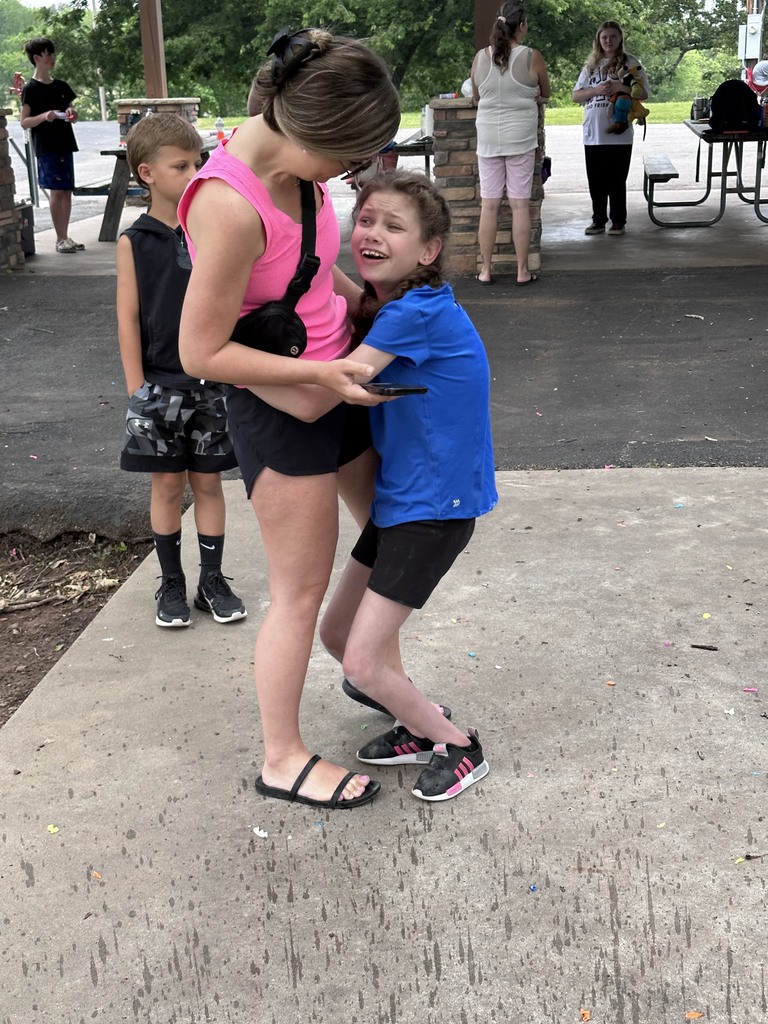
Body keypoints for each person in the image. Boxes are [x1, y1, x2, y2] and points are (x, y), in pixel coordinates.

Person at [177, 28, 401, 810]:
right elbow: (201, 349)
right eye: (346, 159)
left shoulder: (300, 174)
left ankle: (364, 659)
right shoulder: (228, 205)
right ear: (307, 132)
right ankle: (282, 757)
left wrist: (369, 303)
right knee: (298, 590)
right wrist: (318, 375)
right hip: (285, 406)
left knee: (395, 534)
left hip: (337, 381)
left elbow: (308, 269)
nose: (349, 173)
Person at [262, 171, 498, 801]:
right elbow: (326, 285)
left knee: (363, 661)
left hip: (436, 508)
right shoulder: (395, 306)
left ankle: (458, 743)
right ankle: (418, 727)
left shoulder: (413, 314)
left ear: (429, 251)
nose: (372, 233)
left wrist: (219, 360)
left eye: (394, 226)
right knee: (339, 637)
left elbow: (336, 385)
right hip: (404, 503)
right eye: (365, 220)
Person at [117, 113, 247, 629]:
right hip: (159, 388)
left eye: (198, 163)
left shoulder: (209, 231)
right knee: (167, 488)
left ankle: (210, 581)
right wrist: (136, 388)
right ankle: (170, 582)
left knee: (210, 485)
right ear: (147, 173)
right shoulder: (135, 242)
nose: (193, 173)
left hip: (211, 384)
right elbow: (128, 317)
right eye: (180, 165)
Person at [470, 1, 550, 285]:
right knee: (519, 205)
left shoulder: (481, 57)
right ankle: (521, 271)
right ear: (523, 25)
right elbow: (545, 92)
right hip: (521, 139)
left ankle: (485, 270)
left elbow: (477, 95)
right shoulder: (532, 56)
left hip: (489, 138)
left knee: (488, 206)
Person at [572, 21, 649, 237]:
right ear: (599, 39)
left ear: (620, 39)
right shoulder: (591, 66)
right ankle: (598, 220)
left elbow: (643, 94)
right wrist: (596, 90)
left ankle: (618, 221)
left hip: (620, 132)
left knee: (616, 179)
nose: (608, 41)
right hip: (593, 132)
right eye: (604, 37)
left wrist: (620, 87)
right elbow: (576, 95)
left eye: (613, 37)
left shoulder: (630, 62)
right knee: (596, 180)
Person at [20, 37, 84, 254]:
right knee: (56, 191)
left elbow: (72, 113)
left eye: (53, 54)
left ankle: (66, 236)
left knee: (67, 191)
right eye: (49, 54)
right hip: (46, 146)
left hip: (66, 143)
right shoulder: (30, 89)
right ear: (37, 58)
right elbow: (24, 121)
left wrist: (72, 114)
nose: (52, 58)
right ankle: (60, 238)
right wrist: (44, 117)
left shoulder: (61, 86)